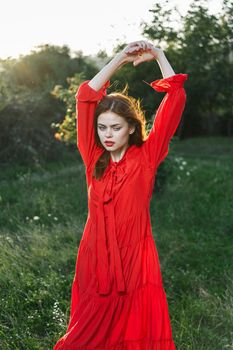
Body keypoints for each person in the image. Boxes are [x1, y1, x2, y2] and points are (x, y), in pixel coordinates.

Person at [53, 40, 188, 350]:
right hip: (95, 256)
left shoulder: (147, 156)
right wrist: (120, 59)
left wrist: (158, 54)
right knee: (85, 334)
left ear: (130, 127)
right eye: (102, 128)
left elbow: (175, 98)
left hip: (135, 258)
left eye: (115, 127)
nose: (107, 135)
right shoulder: (92, 158)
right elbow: (86, 96)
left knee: (132, 331)